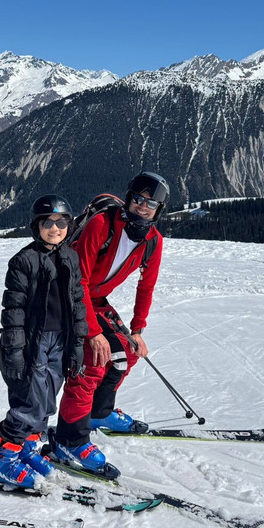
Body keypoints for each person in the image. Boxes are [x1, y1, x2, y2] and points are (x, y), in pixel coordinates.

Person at [51, 171, 168, 478]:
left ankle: (97, 414)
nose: (143, 207)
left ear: (158, 210)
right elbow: (78, 282)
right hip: (66, 296)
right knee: (93, 360)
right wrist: (92, 333)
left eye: (151, 204)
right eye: (139, 199)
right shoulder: (102, 225)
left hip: (94, 298)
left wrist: (138, 330)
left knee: (127, 351)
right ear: (129, 197)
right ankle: (69, 439)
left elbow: (146, 287)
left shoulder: (153, 242)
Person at [0, 195, 88, 488]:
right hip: (31, 342)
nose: (55, 229)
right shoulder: (24, 261)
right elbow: (14, 311)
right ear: (36, 226)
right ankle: (3, 460)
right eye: (48, 223)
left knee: (46, 401)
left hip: (60, 339)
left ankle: (27, 449)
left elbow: (78, 303)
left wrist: (77, 345)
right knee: (27, 402)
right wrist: (15, 351)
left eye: (61, 223)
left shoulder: (71, 257)